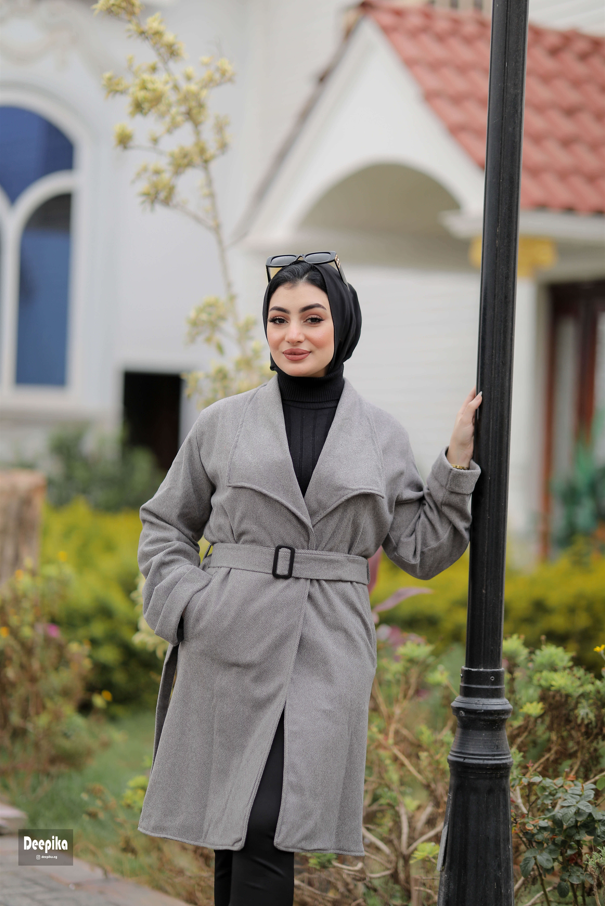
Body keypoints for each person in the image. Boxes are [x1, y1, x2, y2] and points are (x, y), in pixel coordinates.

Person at [136, 253, 482, 906]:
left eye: (312, 318)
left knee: (270, 818)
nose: (293, 334)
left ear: (341, 325)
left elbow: (422, 547)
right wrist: (188, 604)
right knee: (236, 823)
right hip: (227, 633)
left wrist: (456, 462)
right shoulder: (222, 422)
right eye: (278, 319)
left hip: (326, 644)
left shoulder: (381, 434)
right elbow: (166, 522)